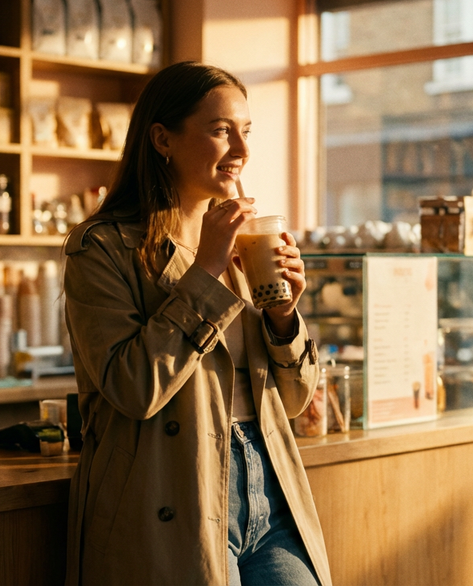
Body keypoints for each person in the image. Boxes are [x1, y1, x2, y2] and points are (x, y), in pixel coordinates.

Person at [62, 61, 332, 586]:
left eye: (245, 131)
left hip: (268, 481)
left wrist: (283, 317)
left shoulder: (243, 244)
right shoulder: (101, 248)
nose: (242, 149)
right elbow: (132, 387)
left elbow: (295, 400)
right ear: (162, 139)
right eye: (219, 130)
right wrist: (206, 270)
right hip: (176, 489)